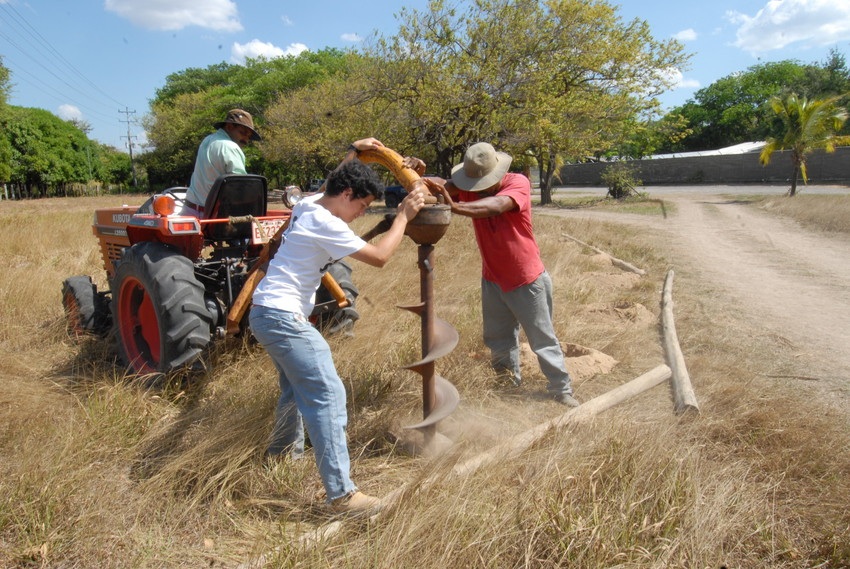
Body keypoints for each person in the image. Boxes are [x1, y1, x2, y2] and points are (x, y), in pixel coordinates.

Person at [248, 138, 428, 514]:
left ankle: (281, 457)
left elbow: (337, 176)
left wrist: (354, 151)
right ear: (347, 194)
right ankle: (343, 496)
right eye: (361, 206)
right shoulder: (324, 221)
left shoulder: (310, 203)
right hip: (283, 317)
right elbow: (379, 256)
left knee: (295, 390)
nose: (360, 214)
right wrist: (404, 217)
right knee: (327, 395)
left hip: (264, 312)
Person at [425, 142, 580, 408]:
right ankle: (507, 384)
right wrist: (420, 175)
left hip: (526, 279)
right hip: (492, 278)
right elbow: (442, 184)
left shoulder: (516, 183)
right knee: (498, 338)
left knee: (541, 339)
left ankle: (560, 389)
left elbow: (497, 205)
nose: (476, 188)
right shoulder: (472, 187)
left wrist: (456, 207)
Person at [179, 109, 261, 217]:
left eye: (248, 136)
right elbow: (240, 187)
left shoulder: (207, 140)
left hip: (189, 210)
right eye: (243, 133)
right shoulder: (231, 147)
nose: (245, 139)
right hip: (212, 215)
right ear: (229, 126)